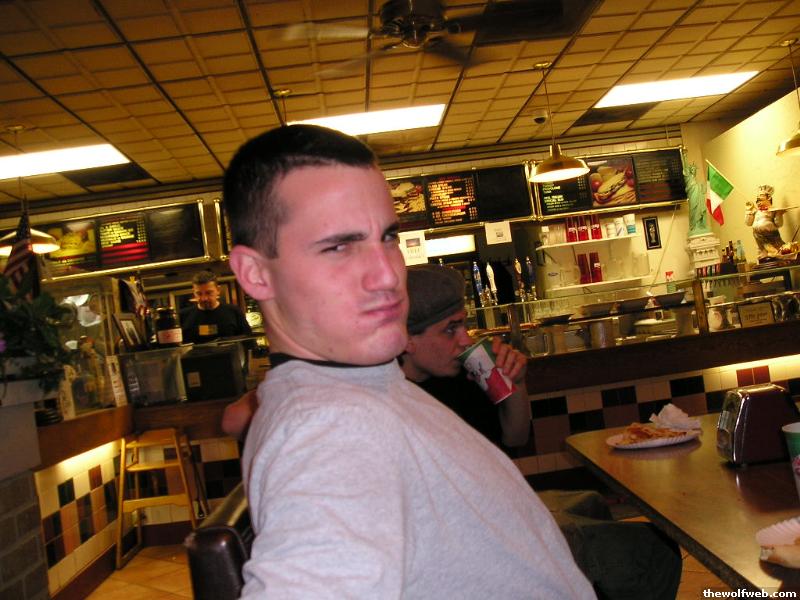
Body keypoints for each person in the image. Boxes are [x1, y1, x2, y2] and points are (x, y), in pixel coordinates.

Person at [224, 124, 594, 598]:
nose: (387, 274)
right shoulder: (330, 430)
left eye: (388, 237)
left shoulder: (360, 390)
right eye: (338, 246)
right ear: (255, 274)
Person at [400, 264, 682, 600]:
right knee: (655, 550)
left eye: (464, 324)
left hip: (503, 512)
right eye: (450, 329)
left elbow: (515, 437)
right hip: (481, 542)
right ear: (407, 340)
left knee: (592, 503)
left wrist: (516, 385)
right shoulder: (396, 403)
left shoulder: (462, 375)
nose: (466, 340)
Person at [179, 270, 252, 343]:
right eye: (199, 294)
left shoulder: (234, 312)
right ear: (193, 292)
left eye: (208, 293)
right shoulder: (183, 315)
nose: (204, 298)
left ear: (218, 290)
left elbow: (249, 341)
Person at [745, 184, 786, 260]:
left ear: (769, 197)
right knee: (763, 256)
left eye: (761, 197)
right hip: (760, 243)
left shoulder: (773, 210)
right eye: (757, 200)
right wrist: (749, 211)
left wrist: (779, 214)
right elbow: (748, 223)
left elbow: (779, 224)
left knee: (775, 254)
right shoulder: (756, 211)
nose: (758, 200)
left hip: (772, 239)